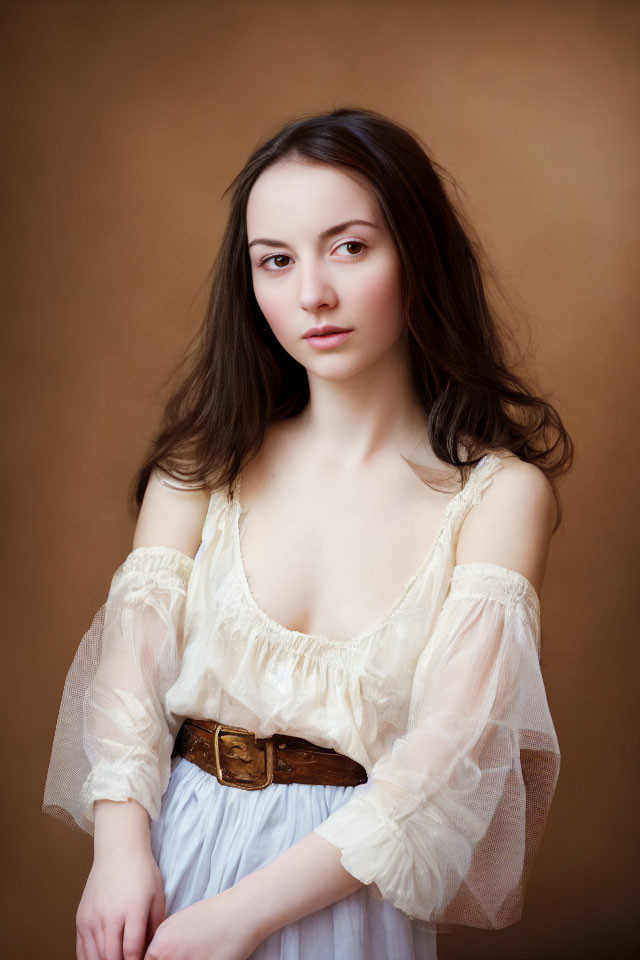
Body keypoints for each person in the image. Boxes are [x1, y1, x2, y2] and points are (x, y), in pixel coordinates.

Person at [42, 106, 573, 960]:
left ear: (419, 256)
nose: (312, 294)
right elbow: (126, 689)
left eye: (351, 247)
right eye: (276, 262)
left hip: (340, 890)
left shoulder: (499, 495)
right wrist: (118, 854)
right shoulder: (199, 466)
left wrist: (241, 918)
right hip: (166, 862)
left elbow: (445, 763)